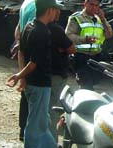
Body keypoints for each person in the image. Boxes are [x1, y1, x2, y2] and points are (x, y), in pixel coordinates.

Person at [6, 0, 63, 148]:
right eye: (55, 9)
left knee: (42, 123)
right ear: (49, 10)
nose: (57, 13)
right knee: (34, 125)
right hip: (40, 84)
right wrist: (19, 76)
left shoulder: (28, 26)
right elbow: (33, 63)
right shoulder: (42, 32)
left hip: (32, 83)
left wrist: (23, 77)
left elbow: (21, 52)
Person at [65, 0, 113, 90]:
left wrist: (103, 20)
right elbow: (68, 36)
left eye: (96, 5)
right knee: (86, 85)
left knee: (95, 83)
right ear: (85, 4)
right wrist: (85, 39)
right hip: (81, 56)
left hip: (96, 57)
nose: (94, 7)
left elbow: (109, 35)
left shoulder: (99, 19)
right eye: (91, 4)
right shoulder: (77, 18)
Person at [47, 8, 76, 141]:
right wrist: (63, 48)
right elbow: (71, 48)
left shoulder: (35, 27)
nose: (58, 13)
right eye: (55, 10)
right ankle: (52, 141)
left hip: (46, 74)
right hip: (56, 74)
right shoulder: (56, 29)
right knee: (54, 110)